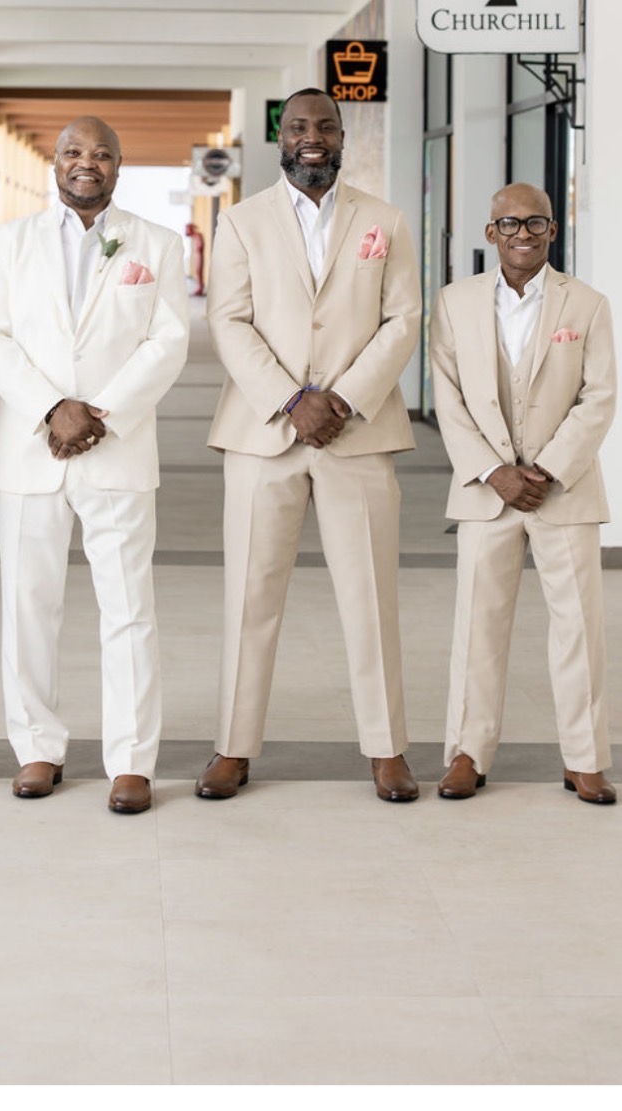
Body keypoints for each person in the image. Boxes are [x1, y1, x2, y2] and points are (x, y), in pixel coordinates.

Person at [196, 87, 422, 803]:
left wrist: (343, 398)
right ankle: (233, 746)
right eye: (298, 126)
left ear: (343, 136)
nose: (312, 136)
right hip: (264, 433)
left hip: (359, 432)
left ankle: (387, 748)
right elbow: (228, 320)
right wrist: (293, 400)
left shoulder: (385, 220)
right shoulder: (241, 222)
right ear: (281, 138)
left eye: (325, 125)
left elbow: (403, 319)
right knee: (250, 596)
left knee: (370, 596)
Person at [0, 117, 190, 815]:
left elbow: (168, 340)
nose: (85, 162)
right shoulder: (8, 242)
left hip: (116, 447)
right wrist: (50, 409)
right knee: (28, 605)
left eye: (100, 153)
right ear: (55, 162)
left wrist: (100, 413)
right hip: (29, 451)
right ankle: (37, 747)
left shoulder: (156, 243)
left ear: (119, 166)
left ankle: (131, 761)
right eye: (73, 151)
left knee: (129, 609)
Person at [430, 182, 617, 804]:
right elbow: (448, 399)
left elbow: (599, 397)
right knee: (478, 625)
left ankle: (585, 759)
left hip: (564, 490)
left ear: (553, 231)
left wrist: (549, 469)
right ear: (491, 233)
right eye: (509, 224)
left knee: (578, 625)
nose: (523, 234)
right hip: (487, 492)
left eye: (536, 223)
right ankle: (467, 752)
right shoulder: (454, 303)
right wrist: (494, 471)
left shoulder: (587, 304)